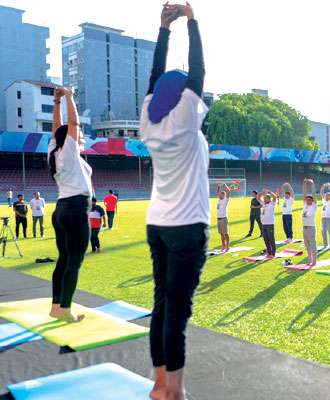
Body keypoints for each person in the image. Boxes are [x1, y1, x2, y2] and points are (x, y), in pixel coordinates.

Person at [140, 4, 207, 399]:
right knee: (176, 312)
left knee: (162, 305)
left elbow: (154, 77)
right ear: (182, 93)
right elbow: (198, 71)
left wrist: (164, 30)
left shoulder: (150, 118)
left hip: (158, 224)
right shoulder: (186, 112)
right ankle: (175, 392)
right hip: (185, 227)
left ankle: (160, 383)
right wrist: (193, 20)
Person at [49, 84, 92, 323]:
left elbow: (58, 129)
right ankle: (65, 308)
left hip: (62, 209)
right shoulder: (68, 152)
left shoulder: (54, 150)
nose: (81, 136)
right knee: (74, 262)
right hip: (75, 210)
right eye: (79, 135)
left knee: (64, 259)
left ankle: (57, 306)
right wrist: (69, 97)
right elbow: (72, 126)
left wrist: (56, 103)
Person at [301, 179, 318, 266]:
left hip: (311, 227)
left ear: (312, 201)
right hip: (304, 227)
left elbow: (314, 195)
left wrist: (312, 184)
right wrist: (304, 184)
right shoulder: (305, 205)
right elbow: (304, 194)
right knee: (307, 244)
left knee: (312, 244)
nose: (308, 200)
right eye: (307, 199)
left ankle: (314, 261)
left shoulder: (314, 206)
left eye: (309, 199)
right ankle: (309, 259)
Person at [258, 189, 278, 257]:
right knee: (265, 239)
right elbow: (258, 197)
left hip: (270, 224)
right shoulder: (263, 204)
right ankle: (269, 253)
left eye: (266, 198)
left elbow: (275, 197)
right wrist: (262, 192)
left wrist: (269, 192)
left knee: (271, 239)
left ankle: (273, 253)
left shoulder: (272, 204)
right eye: (264, 198)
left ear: (269, 198)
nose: (264, 199)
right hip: (263, 224)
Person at [216, 183, 231, 252]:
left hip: (223, 219)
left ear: (224, 195)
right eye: (219, 194)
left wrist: (225, 185)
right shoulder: (219, 200)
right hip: (218, 219)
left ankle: (228, 246)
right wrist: (218, 187)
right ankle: (223, 246)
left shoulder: (225, 200)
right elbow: (217, 192)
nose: (219, 195)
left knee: (225, 233)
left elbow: (229, 192)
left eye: (220, 194)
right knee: (221, 234)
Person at [320, 183, 330, 250]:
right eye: (326, 195)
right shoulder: (324, 201)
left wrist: (329, 186)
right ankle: (325, 244)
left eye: (328, 195)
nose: (327, 196)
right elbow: (321, 193)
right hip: (323, 218)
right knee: (323, 231)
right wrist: (323, 186)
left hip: (329, 218)